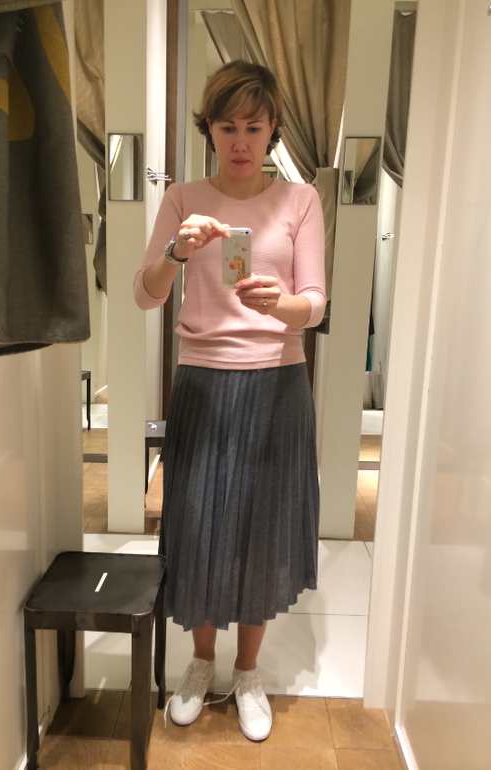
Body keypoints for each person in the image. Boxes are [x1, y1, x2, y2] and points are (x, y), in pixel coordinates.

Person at [133, 60, 326, 742]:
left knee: (260, 527)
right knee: (200, 525)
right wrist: (176, 252)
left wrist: (283, 304)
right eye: (227, 127)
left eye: (254, 126)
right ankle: (200, 663)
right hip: (204, 384)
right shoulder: (183, 198)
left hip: (277, 384)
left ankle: (247, 673)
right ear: (208, 130)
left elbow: (316, 304)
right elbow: (145, 294)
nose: (241, 141)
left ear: (273, 129)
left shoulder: (300, 200)